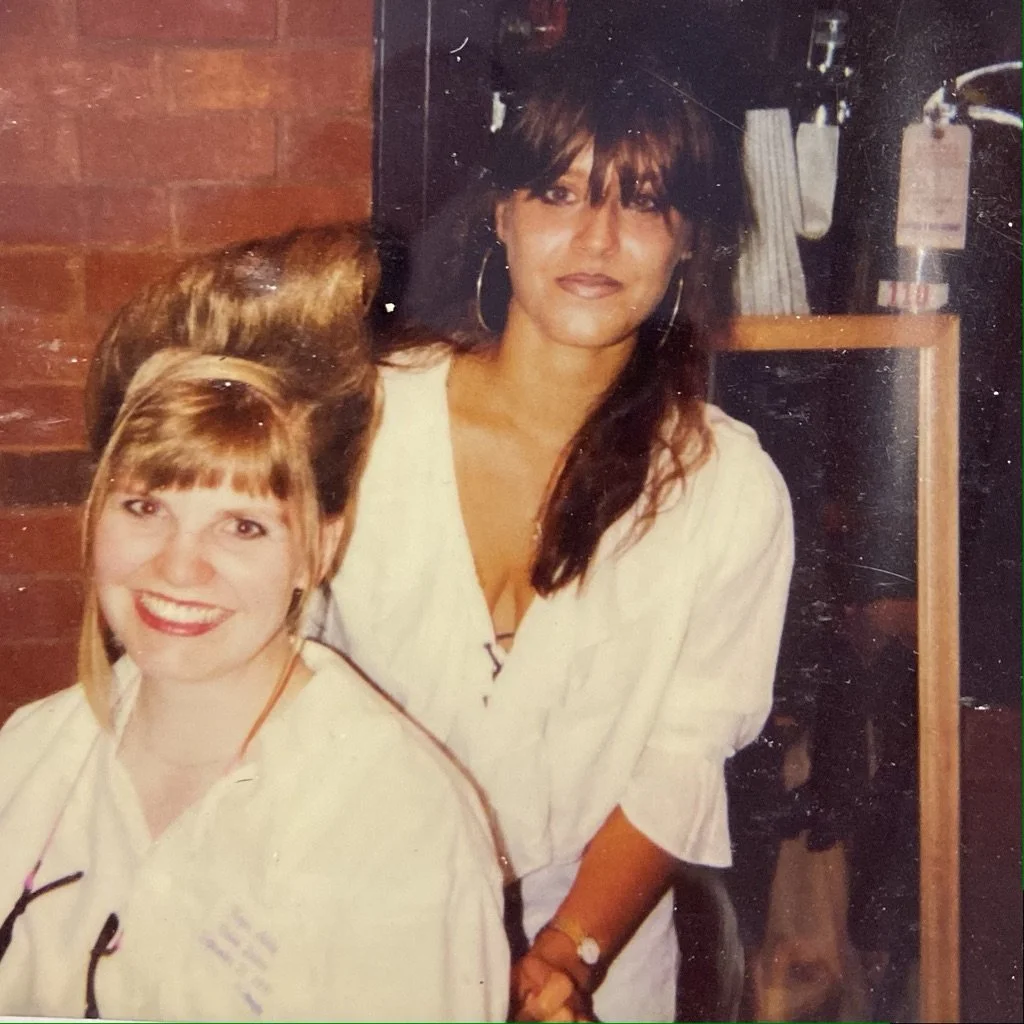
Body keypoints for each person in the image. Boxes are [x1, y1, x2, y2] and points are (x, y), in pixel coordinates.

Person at [319, 54, 795, 1022]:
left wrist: (562, 958)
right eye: (559, 192)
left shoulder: (726, 490)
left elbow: (680, 760)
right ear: (501, 215)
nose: (597, 237)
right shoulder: (363, 421)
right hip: (344, 936)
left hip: (588, 961)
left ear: (687, 244)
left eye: (644, 202)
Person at [0, 229, 509, 1021]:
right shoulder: (28, 758)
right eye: (145, 507)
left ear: (320, 548)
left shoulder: (398, 825)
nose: (178, 568)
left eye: (243, 526)